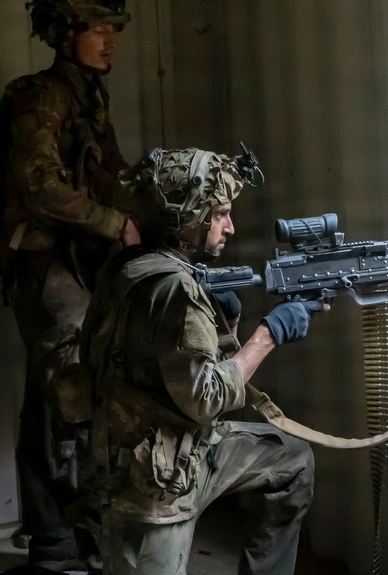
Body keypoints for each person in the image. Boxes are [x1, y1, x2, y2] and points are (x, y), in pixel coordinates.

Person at [80, 147, 325, 575]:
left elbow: (166, 366)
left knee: (292, 459)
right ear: (189, 218)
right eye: (220, 214)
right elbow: (206, 398)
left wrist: (224, 319)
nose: (230, 227)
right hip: (154, 484)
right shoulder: (175, 288)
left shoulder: (129, 267)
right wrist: (267, 335)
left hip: (159, 446)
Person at [0, 0, 141, 572]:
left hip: (78, 263)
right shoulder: (41, 96)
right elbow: (39, 187)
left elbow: (108, 173)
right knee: (70, 396)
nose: (109, 39)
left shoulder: (88, 95)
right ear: (64, 35)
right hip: (47, 268)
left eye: (113, 28)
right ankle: (63, 543)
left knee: (52, 396)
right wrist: (114, 224)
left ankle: (52, 531)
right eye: (96, 28)